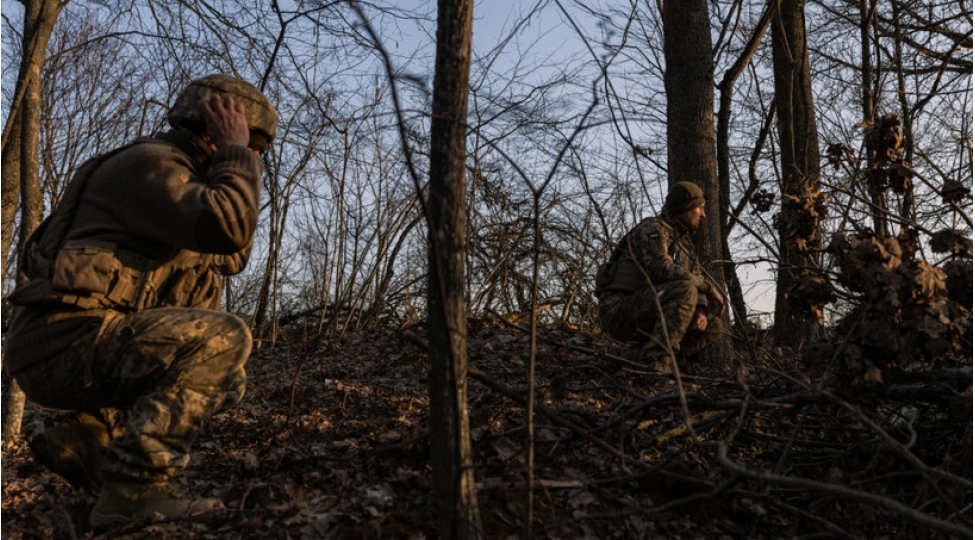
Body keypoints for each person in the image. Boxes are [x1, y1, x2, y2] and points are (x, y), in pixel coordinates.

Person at [4, 74, 276, 528]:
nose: (254, 160)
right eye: (252, 147)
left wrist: (231, 162)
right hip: (63, 340)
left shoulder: (183, 182)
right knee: (223, 339)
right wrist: (234, 154)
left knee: (228, 377)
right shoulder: (152, 165)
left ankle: (89, 437)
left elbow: (232, 253)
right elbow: (229, 226)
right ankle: (135, 487)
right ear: (212, 131)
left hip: (80, 340)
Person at [595, 181, 726, 368]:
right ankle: (657, 363)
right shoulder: (652, 229)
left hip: (651, 310)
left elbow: (696, 276)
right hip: (619, 310)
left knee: (714, 327)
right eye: (700, 208)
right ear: (685, 208)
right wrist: (708, 288)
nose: (703, 215)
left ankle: (646, 358)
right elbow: (661, 267)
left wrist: (701, 311)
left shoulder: (686, 245)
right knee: (686, 289)